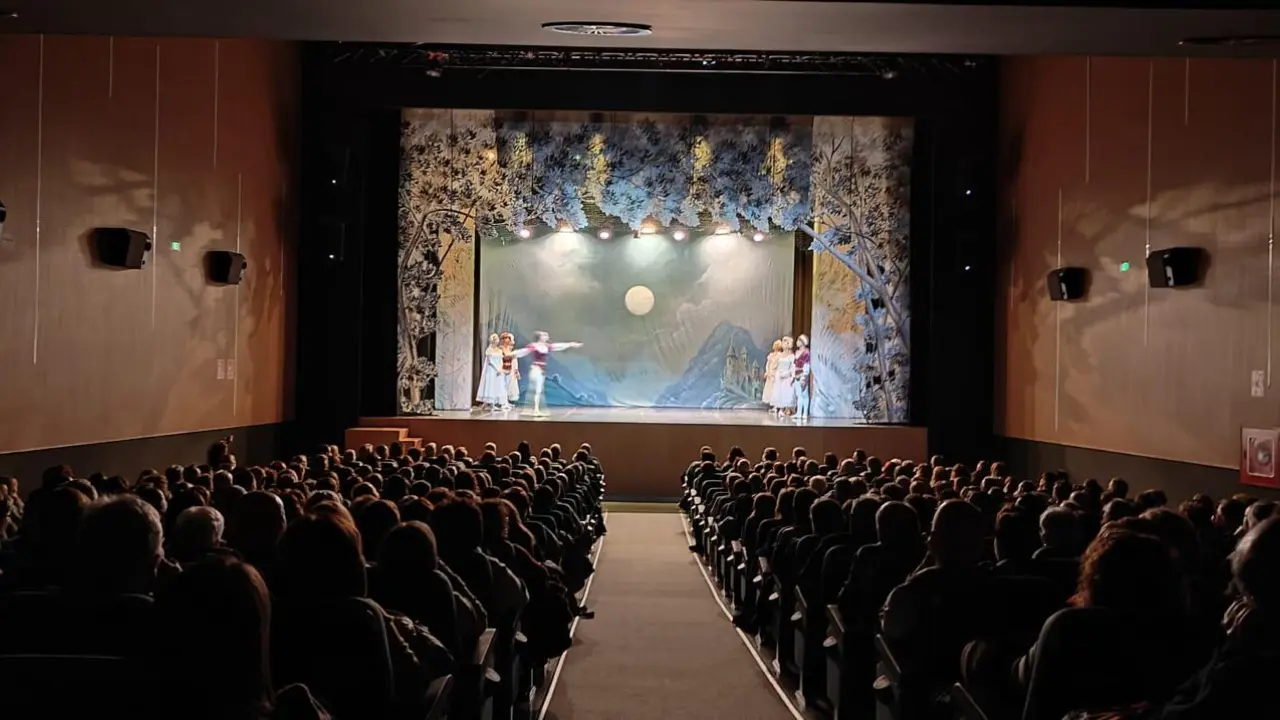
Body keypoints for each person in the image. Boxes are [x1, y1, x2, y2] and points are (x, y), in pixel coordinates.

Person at [508, 331, 583, 417]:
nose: (547, 337)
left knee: (538, 391)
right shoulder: (534, 346)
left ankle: (536, 409)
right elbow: (523, 351)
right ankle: (535, 409)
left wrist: (570, 344)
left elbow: (558, 346)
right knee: (536, 390)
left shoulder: (546, 346)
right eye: (544, 335)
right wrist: (511, 354)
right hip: (535, 369)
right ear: (540, 337)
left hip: (541, 371)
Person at [476, 333, 508, 412]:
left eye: (497, 339)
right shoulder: (489, 350)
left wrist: (500, 369)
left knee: (498, 386)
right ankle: (491, 404)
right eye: (495, 339)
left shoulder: (499, 350)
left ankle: (496, 403)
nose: (496, 341)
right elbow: (490, 361)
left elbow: (501, 360)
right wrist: (496, 369)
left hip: (498, 371)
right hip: (491, 370)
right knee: (491, 386)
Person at [771, 336, 796, 417]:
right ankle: (780, 409)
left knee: (786, 392)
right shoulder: (780, 355)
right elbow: (774, 365)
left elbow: (792, 367)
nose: (783, 344)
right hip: (779, 375)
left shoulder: (791, 356)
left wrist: (790, 375)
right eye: (783, 342)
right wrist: (775, 374)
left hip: (787, 376)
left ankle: (786, 409)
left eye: (785, 342)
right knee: (779, 392)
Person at [499, 332, 521, 409]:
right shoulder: (501, 349)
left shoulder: (509, 349)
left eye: (509, 339)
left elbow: (513, 360)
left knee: (508, 386)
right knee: (503, 386)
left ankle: (506, 402)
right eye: (506, 338)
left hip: (509, 369)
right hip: (502, 369)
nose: (508, 340)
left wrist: (516, 371)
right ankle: (503, 402)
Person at [793, 333, 812, 421]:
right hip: (796, 374)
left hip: (802, 374)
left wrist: (804, 377)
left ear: (803, 342)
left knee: (804, 395)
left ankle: (804, 413)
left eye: (799, 340)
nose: (797, 342)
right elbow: (795, 364)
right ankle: (799, 412)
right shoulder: (797, 352)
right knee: (799, 395)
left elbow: (807, 365)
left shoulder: (806, 353)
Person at [762, 339, 782, 412]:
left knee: (775, 390)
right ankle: (773, 406)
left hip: (776, 374)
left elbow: (779, 365)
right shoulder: (771, 355)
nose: (774, 346)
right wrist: (767, 371)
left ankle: (776, 406)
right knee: (770, 390)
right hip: (770, 374)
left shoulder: (780, 355)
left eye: (776, 345)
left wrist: (776, 373)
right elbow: (768, 364)